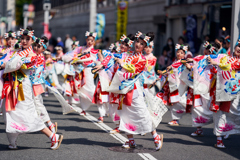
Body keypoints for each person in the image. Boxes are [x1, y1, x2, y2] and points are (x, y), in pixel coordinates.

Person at [2, 27, 63, 150]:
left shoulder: (32, 55)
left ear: (31, 40)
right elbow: (7, 60)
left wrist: (4, 64)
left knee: (29, 114)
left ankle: (53, 136)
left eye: (27, 39)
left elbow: (14, 65)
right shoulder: (16, 51)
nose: (24, 41)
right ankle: (12, 142)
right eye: (22, 38)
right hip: (11, 86)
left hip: (23, 88)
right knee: (9, 113)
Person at [111, 31, 163, 150]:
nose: (138, 45)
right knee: (125, 115)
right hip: (124, 88)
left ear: (145, 47)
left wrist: (122, 64)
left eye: (141, 44)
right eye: (137, 42)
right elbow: (116, 56)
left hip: (134, 90)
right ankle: (131, 140)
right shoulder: (128, 53)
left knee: (142, 113)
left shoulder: (142, 59)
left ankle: (155, 136)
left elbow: (133, 70)